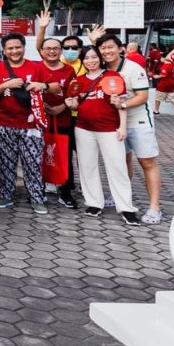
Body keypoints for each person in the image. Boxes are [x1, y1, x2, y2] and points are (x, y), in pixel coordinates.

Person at [91, 31, 162, 224]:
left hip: (138, 122)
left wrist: (122, 105)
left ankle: (154, 207)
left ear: (121, 49)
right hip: (114, 124)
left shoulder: (133, 68)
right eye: (103, 48)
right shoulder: (102, 67)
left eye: (110, 47)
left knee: (147, 163)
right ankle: (120, 197)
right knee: (122, 162)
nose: (106, 51)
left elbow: (142, 97)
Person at [0, 32, 57, 213]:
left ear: (24, 47)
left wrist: (43, 86)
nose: (14, 51)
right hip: (4, 123)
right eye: (10, 48)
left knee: (32, 162)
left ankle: (37, 197)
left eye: (18, 47)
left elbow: (56, 86)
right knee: (6, 162)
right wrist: (5, 85)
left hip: (32, 125)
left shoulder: (37, 67)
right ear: (5, 50)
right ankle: (6, 196)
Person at [64, 47, 138, 225]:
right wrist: (70, 103)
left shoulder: (112, 77)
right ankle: (94, 203)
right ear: (83, 61)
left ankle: (126, 207)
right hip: (83, 128)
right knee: (87, 167)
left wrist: (122, 127)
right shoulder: (79, 80)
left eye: (94, 57)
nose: (91, 61)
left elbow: (121, 103)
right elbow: (75, 105)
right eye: (87, 58)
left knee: (117, 167)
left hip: (109, 129)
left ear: (100, 58)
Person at [36, 14, 78, 209]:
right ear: (42, 52)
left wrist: (62, 107)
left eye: (55, 48)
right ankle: (39, 189)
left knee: (65, 156)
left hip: (63, 119)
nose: (52, 52)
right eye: (48, 49)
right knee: (39, 155)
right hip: (40, 120)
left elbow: (75, 94)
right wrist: (43, 107)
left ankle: (66, 192)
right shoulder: (36, 68)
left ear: (60, 51)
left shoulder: (69, 70)